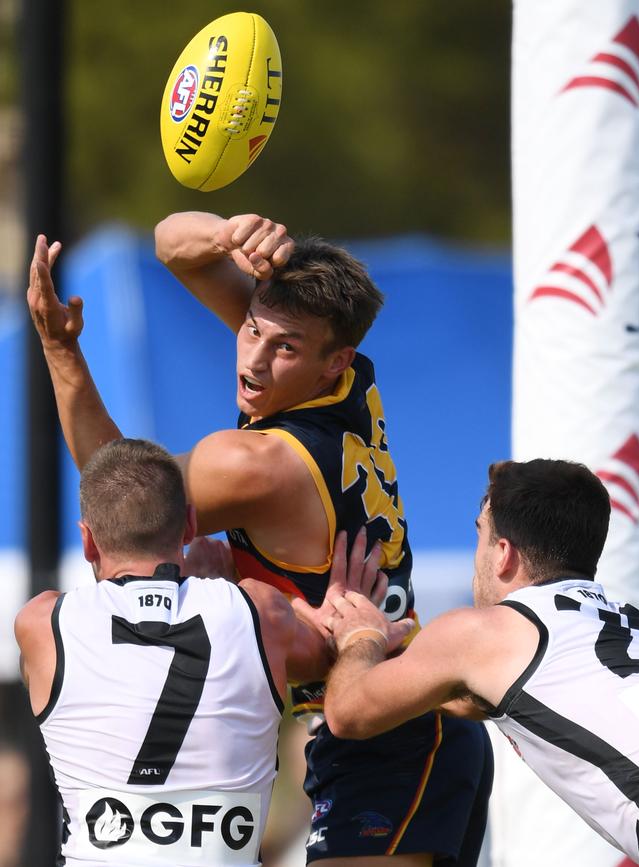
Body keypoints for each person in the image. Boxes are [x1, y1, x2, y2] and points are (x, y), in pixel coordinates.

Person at [27, 213, 493, 866]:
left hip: (388, 734)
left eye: (285, 348)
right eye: (251, 329)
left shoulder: (255, 463)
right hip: (400, 717)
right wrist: (228, 232)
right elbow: (170, 244)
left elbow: (120, 498)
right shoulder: (343, 380)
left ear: (333, 358)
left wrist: (59, 350)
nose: (253, 358)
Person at [14, 437, 405, 867]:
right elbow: (335, 657)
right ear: (189, 526)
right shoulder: (261, 612)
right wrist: (355, 619)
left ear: (88, 541)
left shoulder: (42, 625)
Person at [324, 458, 639, 867]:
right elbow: (459, 694)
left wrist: (361, 634)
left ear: (502, 554)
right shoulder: (631, 624)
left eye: (479, 533)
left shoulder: (485, 632)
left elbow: (348, 713)